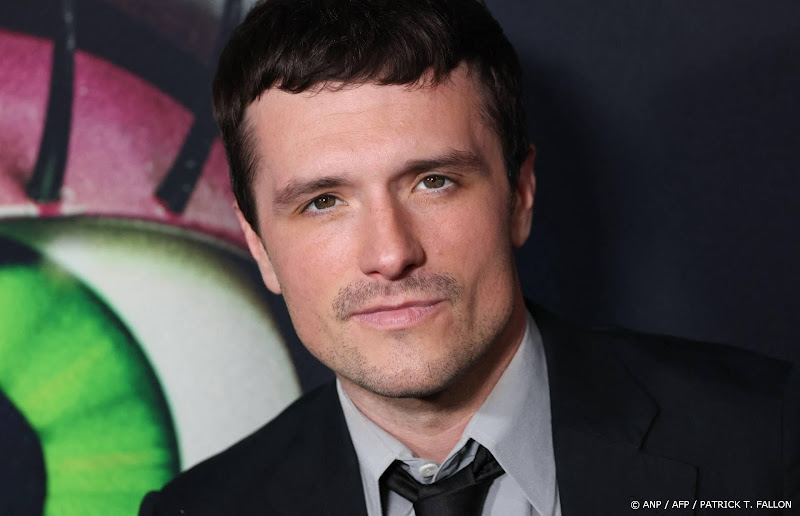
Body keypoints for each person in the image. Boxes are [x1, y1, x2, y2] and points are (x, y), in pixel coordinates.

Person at [139, 0, 797, 514]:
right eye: (323, 202)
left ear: (520, 195)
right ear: (259, 245)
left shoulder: (770, 443)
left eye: (434, 182)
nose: (391, 254)